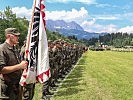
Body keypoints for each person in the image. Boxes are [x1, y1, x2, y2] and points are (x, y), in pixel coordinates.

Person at [0, 28, 28, 100]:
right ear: (9, 36)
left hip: (17, 85)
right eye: (16, 36)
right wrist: (19, 66)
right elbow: (1, 70)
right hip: (8, 87)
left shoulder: (15, 48)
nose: (18, 38)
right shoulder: (2, 49)